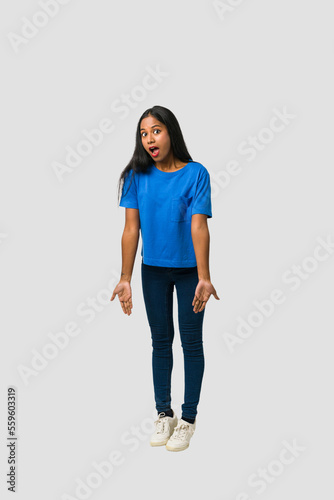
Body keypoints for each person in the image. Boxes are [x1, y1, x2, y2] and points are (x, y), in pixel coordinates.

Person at [110, 105, 220, 452]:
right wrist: (125, 277)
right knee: (160, 341)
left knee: (191, 343)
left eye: (155, 130)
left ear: (171, 132)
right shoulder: (135, 176)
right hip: (152, 271)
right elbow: (131, 230)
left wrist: (204, 275)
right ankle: (164, 413)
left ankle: (188, 419)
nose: (149, 139)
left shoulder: (196, 173)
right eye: (143, 134)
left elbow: (199, 225)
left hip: (190, 272)